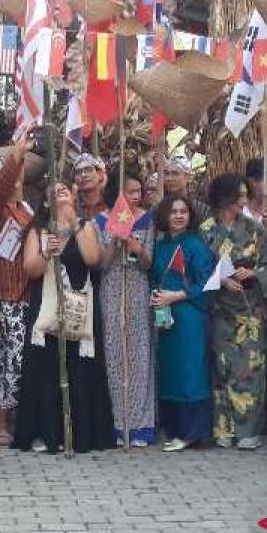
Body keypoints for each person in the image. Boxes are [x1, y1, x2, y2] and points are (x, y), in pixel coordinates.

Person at [14, 183, 115, 454]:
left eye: (64, 189)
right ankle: (45, 432)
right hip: (47, 305)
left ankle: (79, 433)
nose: (60, 192)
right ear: (46, 200)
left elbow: (93, 258)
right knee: (46, 369)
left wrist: (74, 223)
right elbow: (31, 269)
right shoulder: (38, 230)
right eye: (53, 190)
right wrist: (47, 252)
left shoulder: (86, 225)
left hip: (80, 307)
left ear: (73, 195)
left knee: (78, 368)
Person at [200, 173, 267, 450]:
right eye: (240, 195)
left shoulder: (255, 229)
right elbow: (200, 268)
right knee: (222, 369)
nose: (244, 200)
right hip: (219, 310)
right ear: (225, 197)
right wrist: (220, 279)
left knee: (251, 370)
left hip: (249, 309)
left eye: (245, 195)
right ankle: (223, 428)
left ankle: (249, 430)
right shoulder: (206, 230)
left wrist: (252, 272)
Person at [0, 133, 36, 446]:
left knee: (28, 359)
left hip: (34, 294)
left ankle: (29, 417)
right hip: (8, 296)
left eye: (15, 169)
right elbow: (0, 190)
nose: (12, 176)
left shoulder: (29, 210)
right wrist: (14, 156)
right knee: (12, 358)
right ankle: (2, 420)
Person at [150, 194, 215, 452]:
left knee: (190, 373)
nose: (179, 216)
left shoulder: (197, 246)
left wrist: (177, 295)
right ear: (165, 215)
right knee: (171, 372)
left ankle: (192, 432)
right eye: (174, 211)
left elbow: (207, 284)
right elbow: (155, 277)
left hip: (190, 317)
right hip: (166, 318)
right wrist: (155, 293)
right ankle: (175, 429)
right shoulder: (161, 245)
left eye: (183, 211)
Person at [95, 171, 156, 447]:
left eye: (137, 191)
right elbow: (101, 264)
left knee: (139, 354)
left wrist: (134, 246)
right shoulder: (101, 220)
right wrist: (115, 241)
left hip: (137, 290)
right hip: (111, 290)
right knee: (114, 354)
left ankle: (140, 425)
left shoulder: (148, 219)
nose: (135, 197)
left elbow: (148, 262)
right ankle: (117, 424)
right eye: (129, 191)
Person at [162, 155, 209, 220]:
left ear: (189, 178)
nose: (169, 178)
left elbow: (209, 228)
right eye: (166, 173)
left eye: (175, 173)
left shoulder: (203, 209)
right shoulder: (159, 206)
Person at [72, 153, 107, 220]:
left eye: (88, 170)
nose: (83, 175)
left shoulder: (112, 201)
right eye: (78, 172)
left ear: (100, 174)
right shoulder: (73, 205)